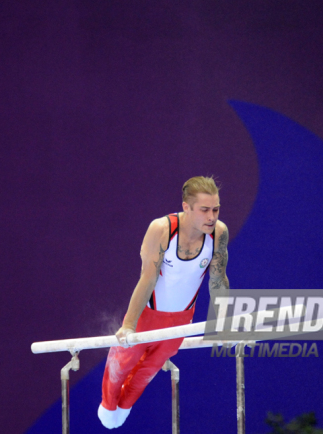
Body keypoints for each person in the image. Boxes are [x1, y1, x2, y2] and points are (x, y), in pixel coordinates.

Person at [98, 176, 231, 429]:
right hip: (147, 315)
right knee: (122, 364)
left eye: (215, 209)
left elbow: (217, 279)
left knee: (148, 371)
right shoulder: (161, 229)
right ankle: (108, 404)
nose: (212, 217)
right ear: (186, 207)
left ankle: (124, 408)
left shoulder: (219, 234)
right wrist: (129, 325)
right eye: (204, 210)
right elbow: (147, 279)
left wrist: (224, 321)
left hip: (182, 319)